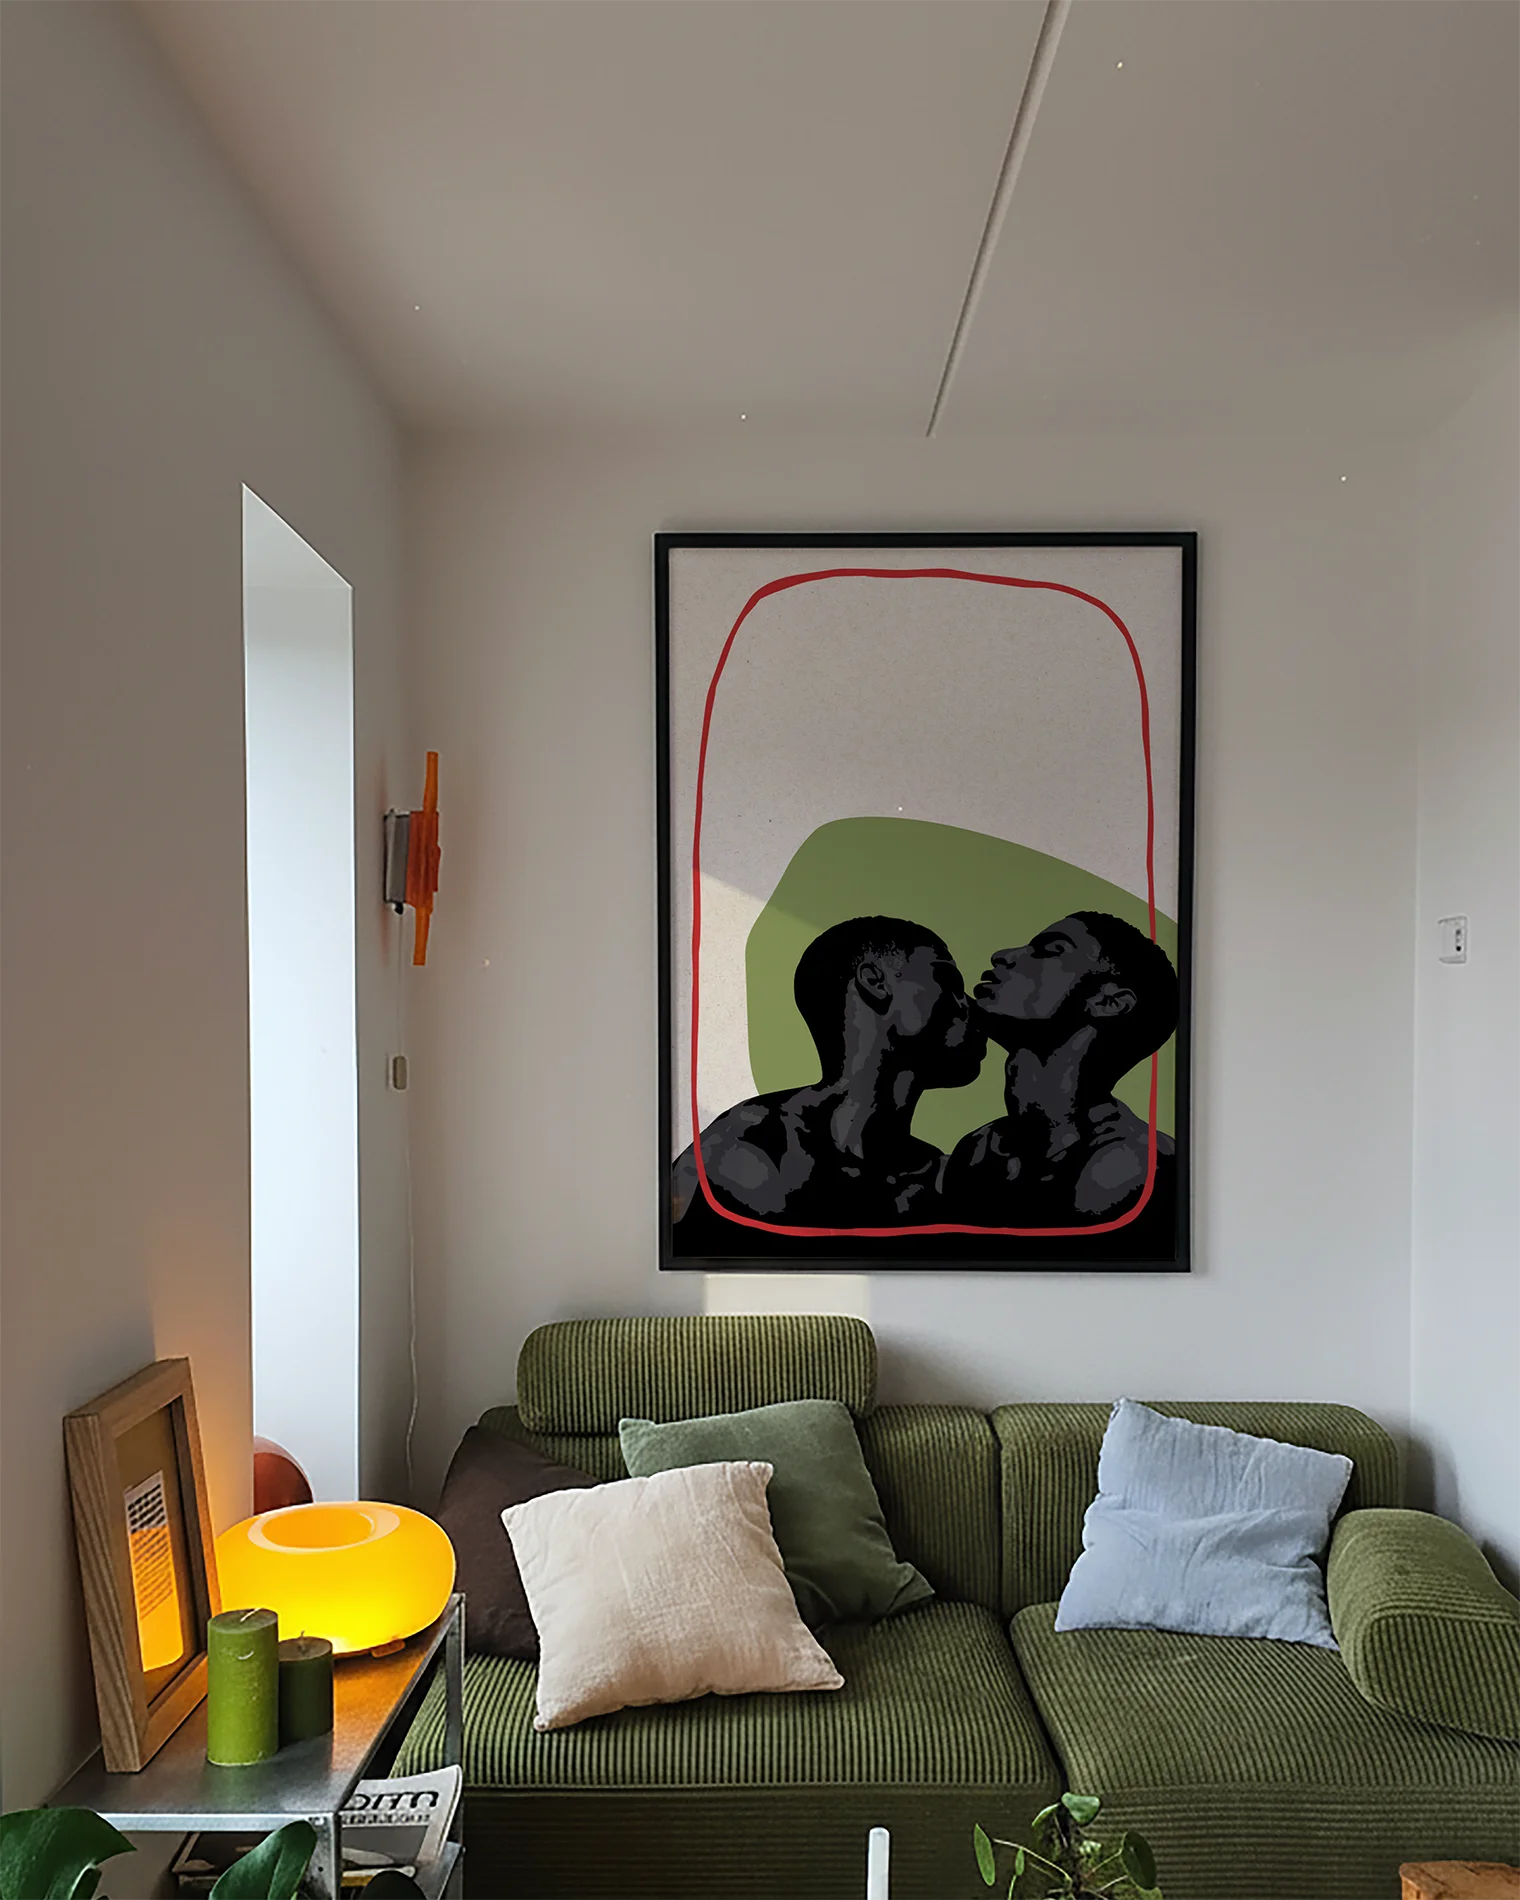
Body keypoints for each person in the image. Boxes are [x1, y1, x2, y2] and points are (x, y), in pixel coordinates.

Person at [672, 915, 985, 1235]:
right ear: (876, 982)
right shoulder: (748, 1147)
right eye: (950, 982)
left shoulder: (939, 1177)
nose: (974, 1008)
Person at [941, 911, 1178, 1229]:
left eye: (1051, 951)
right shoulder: (979, 1150)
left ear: (1108, 1002)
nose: (1003, 955)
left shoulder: (1132, 1167)